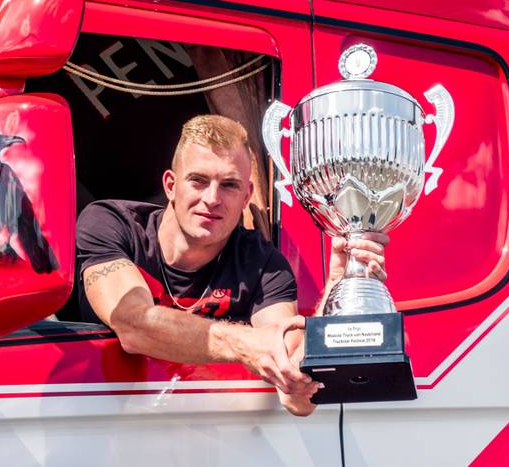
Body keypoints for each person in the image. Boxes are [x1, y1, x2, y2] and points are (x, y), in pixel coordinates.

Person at [76, 114, 387, 415]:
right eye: (198, 181)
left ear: (246, 194)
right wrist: (247, 343)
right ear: (171, 185)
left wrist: (338, 285)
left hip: (217, 442)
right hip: (93, 420)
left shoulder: (264, 264)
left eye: (229, 185)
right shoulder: (110, 223)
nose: (212, 198)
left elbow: (298, 397)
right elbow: (132, 325)